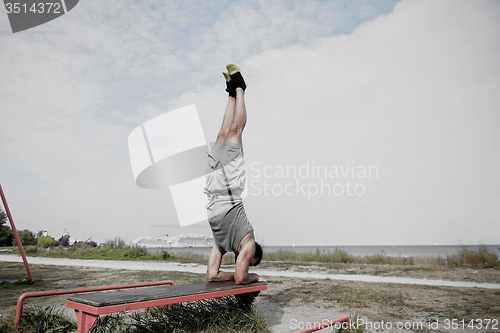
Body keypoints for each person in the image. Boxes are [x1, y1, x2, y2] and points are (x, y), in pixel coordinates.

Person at [204, 63, 264, 285]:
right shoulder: (249, 243)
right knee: (235, 132)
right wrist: (254, 276)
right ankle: (240, 88)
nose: (247, 263)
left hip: (213, 190)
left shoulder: (222, 244)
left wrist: (235, 275)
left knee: (222, 134)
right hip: (228, 189)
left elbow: (212, 275)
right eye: (251, 262)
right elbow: (241, 278)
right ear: (254, 254)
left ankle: (231, 93)